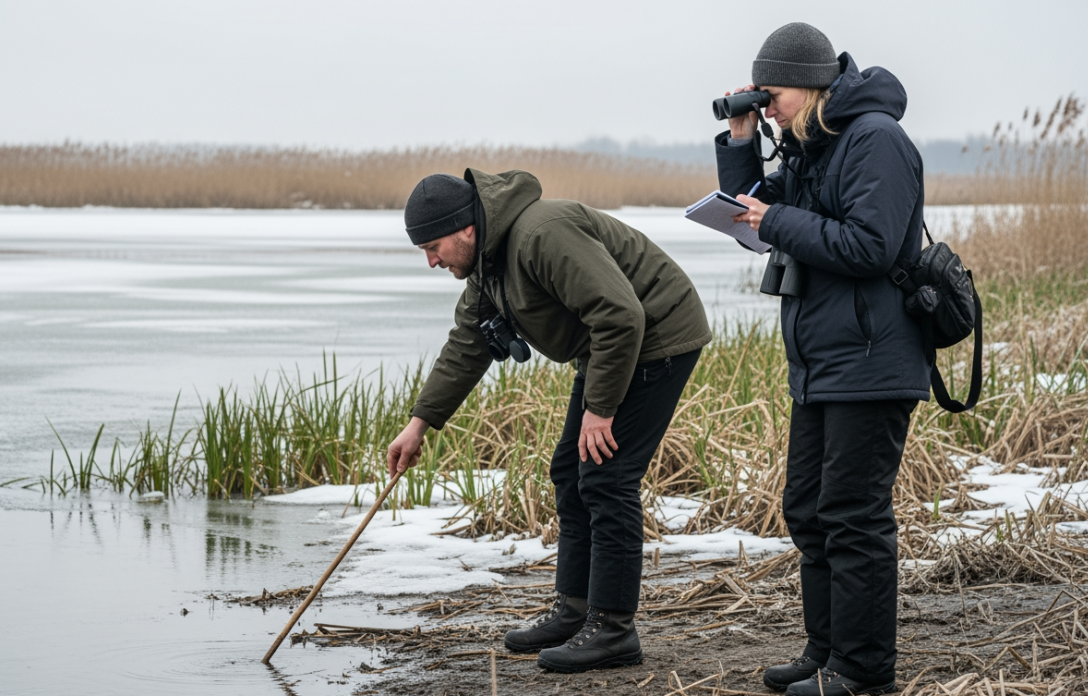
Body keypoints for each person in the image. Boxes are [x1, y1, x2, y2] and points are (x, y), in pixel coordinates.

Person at [385, 168, 711, 672]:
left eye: (433, 247)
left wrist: (601, 410)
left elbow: (621, 315)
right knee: (569, 472)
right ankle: (574, 611)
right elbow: (468, 343)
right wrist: (419, 424)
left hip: (656, 336)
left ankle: (613, 630)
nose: (431, 261)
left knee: (607, 477)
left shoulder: (542, 233)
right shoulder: (487, 263)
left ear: (465, 228)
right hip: (607, 346)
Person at [713, 22, 929, 696]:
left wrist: (774, 221)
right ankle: (826, 653)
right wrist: (742, 141)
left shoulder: (875, 140)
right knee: (809, 510)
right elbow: (752, 216)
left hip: (872, 360)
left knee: (853, 516)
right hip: (822, 363)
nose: (767, 106)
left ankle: (863, 671)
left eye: (771, 94)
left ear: (808, 85)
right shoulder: (814, 147)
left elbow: (871, 245)